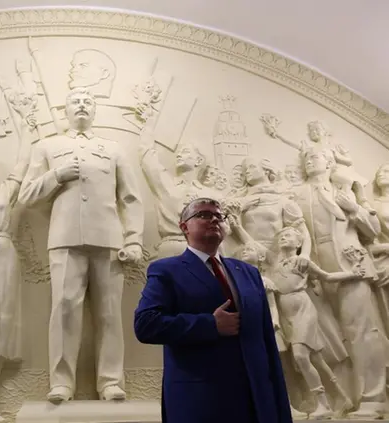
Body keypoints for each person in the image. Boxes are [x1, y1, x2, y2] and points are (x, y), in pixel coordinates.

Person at [18, 87, 144, 402]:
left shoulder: (113, 149)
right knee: (63, 310)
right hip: (65, 238)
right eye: (75, 101)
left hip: (109, 240)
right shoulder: (47, 147)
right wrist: (56, 175)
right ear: (66, 110)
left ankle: (111, 381)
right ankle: (61, 382)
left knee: (109, 313)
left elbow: (130, 197)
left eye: (89, 101)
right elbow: (26, 195)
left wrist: (133, 238)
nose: (82, 105)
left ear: (95, 110)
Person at [134, 197, 292, 423]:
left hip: (256, 400)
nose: (215, 220)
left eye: (220, 216)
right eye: (204, 215)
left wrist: (279, 406)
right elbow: (146, 325)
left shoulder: (248, 273)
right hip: (201, 400)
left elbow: (266, 340)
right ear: (184, 227)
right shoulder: (166, 270)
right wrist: (210, 325)